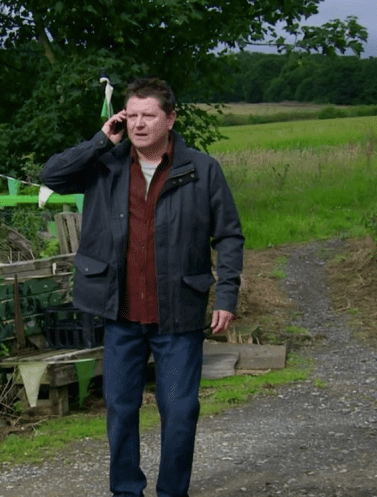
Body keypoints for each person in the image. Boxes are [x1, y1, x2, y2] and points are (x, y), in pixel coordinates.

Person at [40, 77, 244, 497]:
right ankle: (126, 490)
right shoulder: (106, 165)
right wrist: (100, 139)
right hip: (121, 316)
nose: (138, 124)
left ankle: (172, 492)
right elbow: (52, 175)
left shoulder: (202, 169)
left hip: (178, 316)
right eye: (131, 115)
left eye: (148, 115)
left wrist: (226, 295)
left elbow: (229, 236)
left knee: (181, 411)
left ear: (170, 118)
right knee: (120, 410)